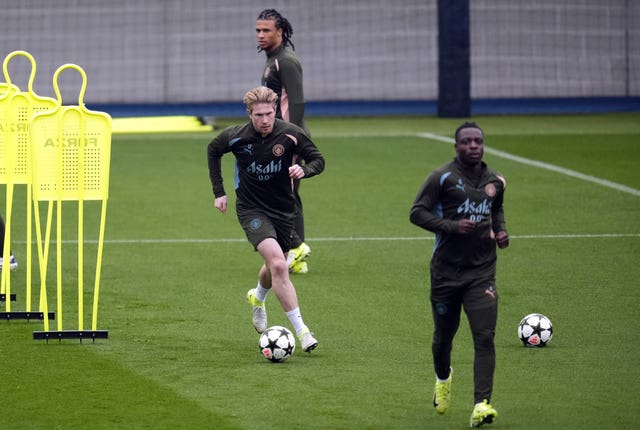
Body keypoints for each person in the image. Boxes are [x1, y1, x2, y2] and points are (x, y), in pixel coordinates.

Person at [207, 86, 324, 353]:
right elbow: (213, 150)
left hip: (284, 211)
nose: (265, 120)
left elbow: (318, 159)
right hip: (251, 210)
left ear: (275, 111)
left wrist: (303, 170)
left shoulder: (291, 134)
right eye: (258, 115)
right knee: (280, 266)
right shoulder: (236, 136)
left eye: (269, 114)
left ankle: (257, 298)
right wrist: (219, 192)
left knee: (274, 265)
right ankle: (303, 331)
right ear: (249, 113)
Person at [409, 122, 509, 428]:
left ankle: (482, 404)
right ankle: (443, 378)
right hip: (445, 274)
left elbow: (497, 209)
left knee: (484, 337)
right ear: (456, 147)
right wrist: (451, 226)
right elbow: (417, 212)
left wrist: (501, 231)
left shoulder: (495, 181)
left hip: (481, 273)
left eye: (478, 141)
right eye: (467, 142)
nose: (474, 146)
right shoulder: (442, 178)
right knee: (443, 338)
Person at [256, 8, 311, 274]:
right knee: (287, 193)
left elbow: (297, 102)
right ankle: (296, 253)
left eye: (266, 30)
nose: (261, 35)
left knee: (280, 194)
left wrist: (293, 139)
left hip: (288, 140)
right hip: (278, 138)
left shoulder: (285, 61)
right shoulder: (272, 59)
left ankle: (295, 246)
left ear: (280, 32)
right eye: (258, 30)